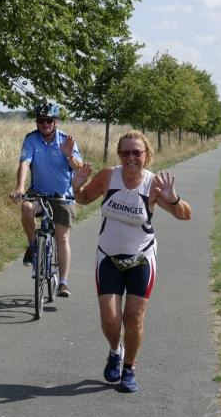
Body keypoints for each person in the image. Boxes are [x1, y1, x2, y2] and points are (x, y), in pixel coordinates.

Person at [71, 130, 192, 392]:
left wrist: (173, 198)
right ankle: (115, 351)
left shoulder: (153, 184)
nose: (131, 158)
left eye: (136, 152)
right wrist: (76, 185)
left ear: (146, 155)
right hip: (108, 256)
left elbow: (185, 215)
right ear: (119, 155)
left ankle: (129, 368)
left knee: (133, 318)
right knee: (110, 320)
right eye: (125, 153)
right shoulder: (108, 176)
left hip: (141, 259)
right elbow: (83, 198)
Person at [10, 102, 83, 297]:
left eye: (49, 120)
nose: (44, 124)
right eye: (41, 120)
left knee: (62, 238)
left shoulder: (66, 140)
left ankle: (63, 283)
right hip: (39, 192)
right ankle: (33, 245)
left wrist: (69, 156)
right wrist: (20, 187)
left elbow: (79, 169)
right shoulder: (31, 139)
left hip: (62, 195)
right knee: (26, 208)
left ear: (56, 122)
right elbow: (24, 163)